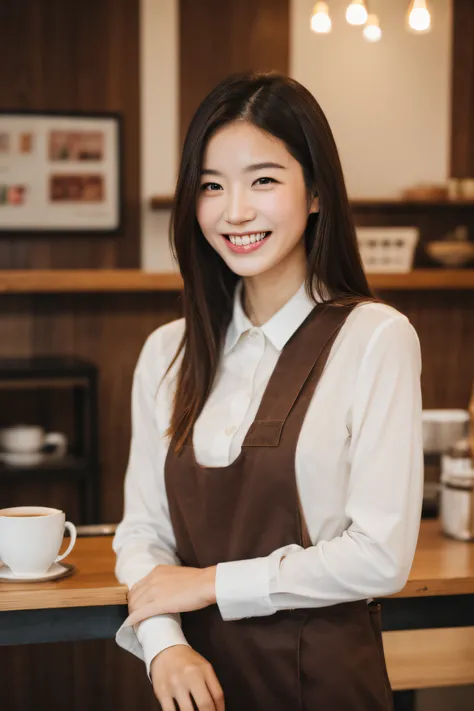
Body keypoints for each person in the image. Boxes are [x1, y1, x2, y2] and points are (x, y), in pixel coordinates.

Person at [113, 71, 423, 711]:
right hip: (196, 687)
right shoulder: (166, 353)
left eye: (263, 180)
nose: (235, 212)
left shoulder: (375, 338)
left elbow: (380, 557)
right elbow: (143, 532)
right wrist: (163, 644)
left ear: (315, 193)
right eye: (211, 186)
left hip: (325, 686)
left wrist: (209, 584)